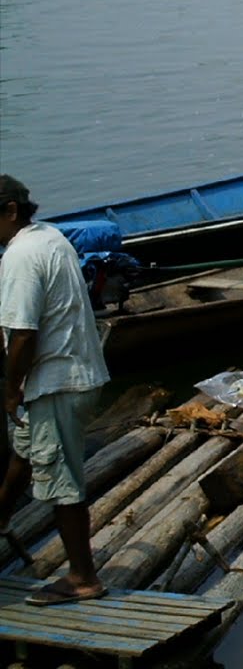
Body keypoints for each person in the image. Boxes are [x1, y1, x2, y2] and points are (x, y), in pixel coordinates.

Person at [0, 174, 111, 607]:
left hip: (57, 382)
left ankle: (83, 577)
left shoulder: (20, 255)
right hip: (73, 371)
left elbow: (23, 334)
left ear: (11, 211)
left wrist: (11, 389)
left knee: (63, 482)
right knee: (26, 451)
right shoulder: (48, 236)